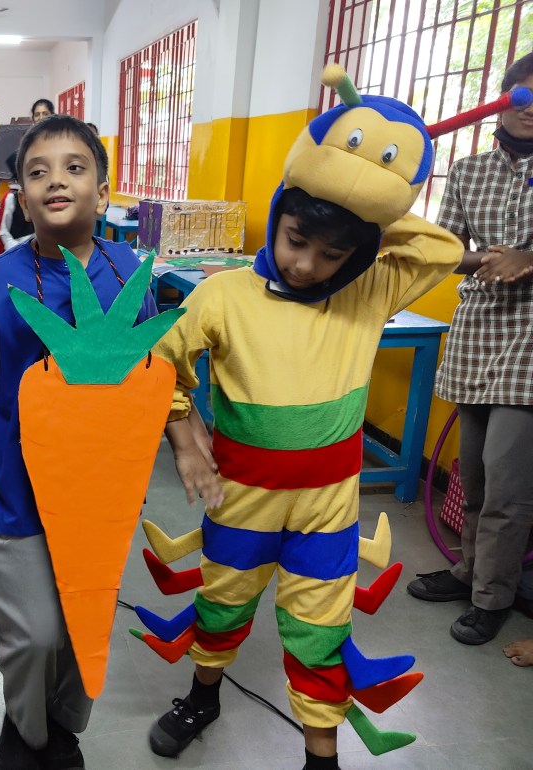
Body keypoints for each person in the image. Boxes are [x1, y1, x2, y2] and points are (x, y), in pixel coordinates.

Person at [145, 76, 462, 768]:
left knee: (321, 628)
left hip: (328, 509)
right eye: (296, 240)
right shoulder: (223, 295)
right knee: (222, 603)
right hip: (240, 497)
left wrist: (363, 205)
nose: (308, 264)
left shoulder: (369, 291)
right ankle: (202, 695)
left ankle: (322, 753)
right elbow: (158, 362)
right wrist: (184, 435)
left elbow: (439, 250)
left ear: (360, 255)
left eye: (332, 255)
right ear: (279, 212)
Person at [0, 115, 156, 770]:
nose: (56, 181)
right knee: (34, 636)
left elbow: (153, 378)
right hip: (19, 503)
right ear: (21, 196)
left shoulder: (130, 272)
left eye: (74, 167)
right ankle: (26, 730)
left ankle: (62, 729)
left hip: (100, 505)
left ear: (103, 190)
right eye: (38, 171)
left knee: (79, 631)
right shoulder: (0, 281)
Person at [405, 53, 533, 646]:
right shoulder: (468, 170)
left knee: (508, 484)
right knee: (475, 475)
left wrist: (529, 260)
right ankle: (470, 573)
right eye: (524, 96)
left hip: (530, 338)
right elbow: (447, 249)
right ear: (504, 98)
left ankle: (492, 597)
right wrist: (487, 259)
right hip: (478, 330)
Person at [0, 152, 35, 254]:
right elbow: (3, 231)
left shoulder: (34, 193)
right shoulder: (11, 197)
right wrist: (17, 250)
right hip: (17, 248)